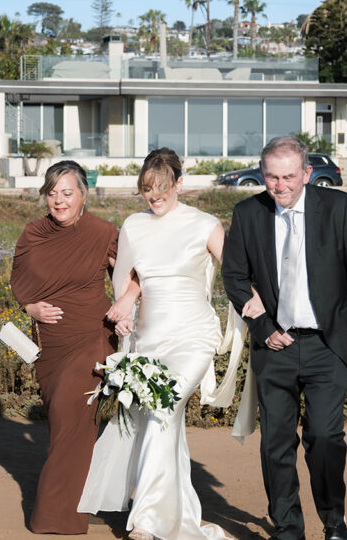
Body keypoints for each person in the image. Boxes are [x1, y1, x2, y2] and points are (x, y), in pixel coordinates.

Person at [222, 136, 347, 540]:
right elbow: (235, 278)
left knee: (325, 437)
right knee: (276, 443)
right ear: (262, 174)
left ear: (307, 173)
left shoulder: (339, 209)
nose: (280, 186)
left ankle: (333, 521)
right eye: (272, 177)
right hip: (275, 346)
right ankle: (288, 526)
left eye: (289, 176)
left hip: (329, 346)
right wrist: (263, 328)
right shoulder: (247, 213)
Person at [78, 148, 240, 540]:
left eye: (162, 187)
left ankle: (147, 520)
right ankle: (178, 508)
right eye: (147, 189)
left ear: (179, 183)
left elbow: (237, 271)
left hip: (193, 337)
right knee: (161, 421)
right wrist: (127, 301)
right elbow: (134, 276)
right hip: (149, 340)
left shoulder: (205, 225)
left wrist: (262, 304)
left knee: (163, 409)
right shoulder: (134, 224)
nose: (154, 196)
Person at [10, 160, 130, 535]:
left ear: (83, 196)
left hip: (93, 337)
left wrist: (125, 304)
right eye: (52, 193)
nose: (59, 200)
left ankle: (54, 515)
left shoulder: (102, 232)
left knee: (68, 412)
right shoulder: (33, 234)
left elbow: (133, 273)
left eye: (67, 193)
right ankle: (89, 498)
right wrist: (30, 307)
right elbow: (19, 281)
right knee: (68, 421)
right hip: (52, 346)